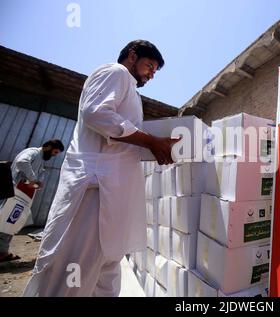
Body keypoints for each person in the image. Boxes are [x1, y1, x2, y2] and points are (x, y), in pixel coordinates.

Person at [23, 40, 179, 297]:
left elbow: (121, 138)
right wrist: (150, 141)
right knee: (76, 270)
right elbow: (96, 114)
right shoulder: (115, 72)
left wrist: (157, 148)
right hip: (95, 191)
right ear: (132, 55)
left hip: (113, 192)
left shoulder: (131, 92)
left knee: (106, 270)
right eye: (150, 65)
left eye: (155, 71)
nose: (152, 73)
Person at [0, 140, 64, 263]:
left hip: (21, 194)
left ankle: (3, 252)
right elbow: (21, 162)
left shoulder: (40, 160)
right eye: (54, 152)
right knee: (5, 220)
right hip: (14, 192)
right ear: (48, 147)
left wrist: (38, 182)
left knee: (12, 222)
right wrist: (34, 179)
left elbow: (38, 176)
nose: (54, 156)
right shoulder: (33, 152)